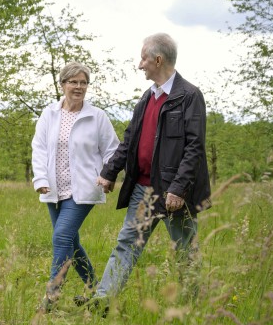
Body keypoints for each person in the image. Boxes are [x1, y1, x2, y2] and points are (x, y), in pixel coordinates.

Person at [84, 33, 212, 310]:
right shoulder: (147, 96)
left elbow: (194, 147)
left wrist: (178, 188)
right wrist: (110, 171)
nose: (139, 64)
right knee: (126, 244)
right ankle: (103, 301)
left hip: (172, 192)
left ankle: (193, 309)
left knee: (185, 250)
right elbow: (130, 139)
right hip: (142, 187)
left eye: (143, 58)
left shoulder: (189, 96)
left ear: (158, 59)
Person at [31, 61, 119, 312]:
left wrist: (107, 175)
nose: (78, 87)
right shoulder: (49, 113)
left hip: (83, 190)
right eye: (73, 82)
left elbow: (113, 150)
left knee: (61, 237)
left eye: (83, 82)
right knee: (71, 243)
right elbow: (39, 148)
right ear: (63, 85)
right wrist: (40, 179)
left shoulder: (97, 116)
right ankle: (96, 292)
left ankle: (51, 297)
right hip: (53, 189)